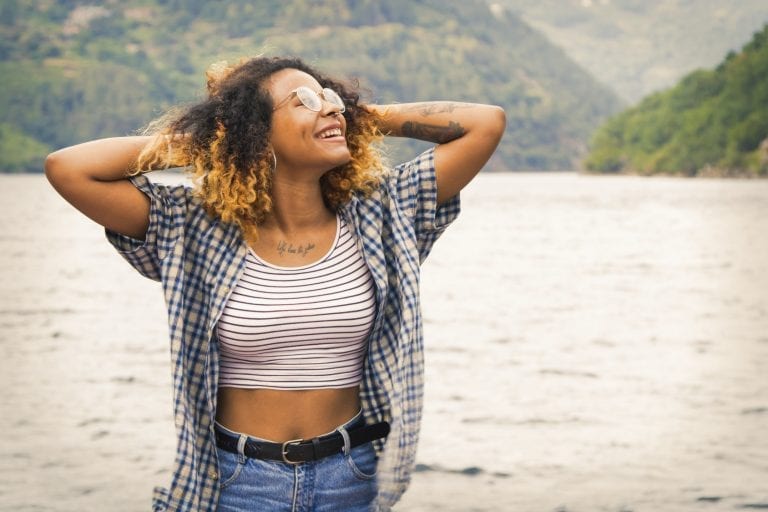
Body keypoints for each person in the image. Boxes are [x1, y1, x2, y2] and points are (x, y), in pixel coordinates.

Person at [44, 56, 505, 512]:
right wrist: (216, 140)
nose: (330, 108)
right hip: (236, 480)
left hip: (353, 474)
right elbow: (69, 168)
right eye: (303, 100)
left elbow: (484, 123)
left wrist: (353, 116)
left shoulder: (384, 213)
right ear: (256, 132)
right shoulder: (192, 227)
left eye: (330, 98)